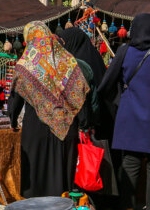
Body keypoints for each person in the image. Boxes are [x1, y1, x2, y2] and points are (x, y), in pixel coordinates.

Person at [98, 13, 150, 210]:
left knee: (130, 164)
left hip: (129, 116)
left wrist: (119, 102)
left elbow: (106, 84)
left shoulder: (125, 51)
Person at [7, 21, 90, 198]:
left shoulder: (25, 65)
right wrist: (83, 122)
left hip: (35, 128)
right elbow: (80, 93)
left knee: (36, 172)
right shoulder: (68, 61)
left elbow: (15, 98)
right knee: (61, 174)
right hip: (66, 127)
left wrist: (13, 120)